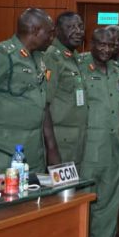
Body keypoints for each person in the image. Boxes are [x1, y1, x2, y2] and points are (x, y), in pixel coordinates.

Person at [0, 9, 60, 173]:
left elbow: (41, 104)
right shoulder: (0, 55)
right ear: (35, 31)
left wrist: (50, 148)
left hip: (31, 154)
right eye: (49, 33)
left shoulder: (37, 58)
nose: (52, 38)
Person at [80, 27, 119, 237]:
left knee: (109, 199)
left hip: (114, 146)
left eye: (111, 45)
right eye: (101, 44)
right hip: (89, 146)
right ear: (91, 43)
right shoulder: (79, 67)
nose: (106, 49)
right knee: (87, 199)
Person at [44, 12, 88, 166]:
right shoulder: (53, 57)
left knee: (72, 190)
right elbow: (44, 104)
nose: (77, 31)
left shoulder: (74, 57)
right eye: (70, 27)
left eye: (80, 26)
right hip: (59, 141)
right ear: (57, 31)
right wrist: (51, 147)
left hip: (75, 140)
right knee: (58, 189)